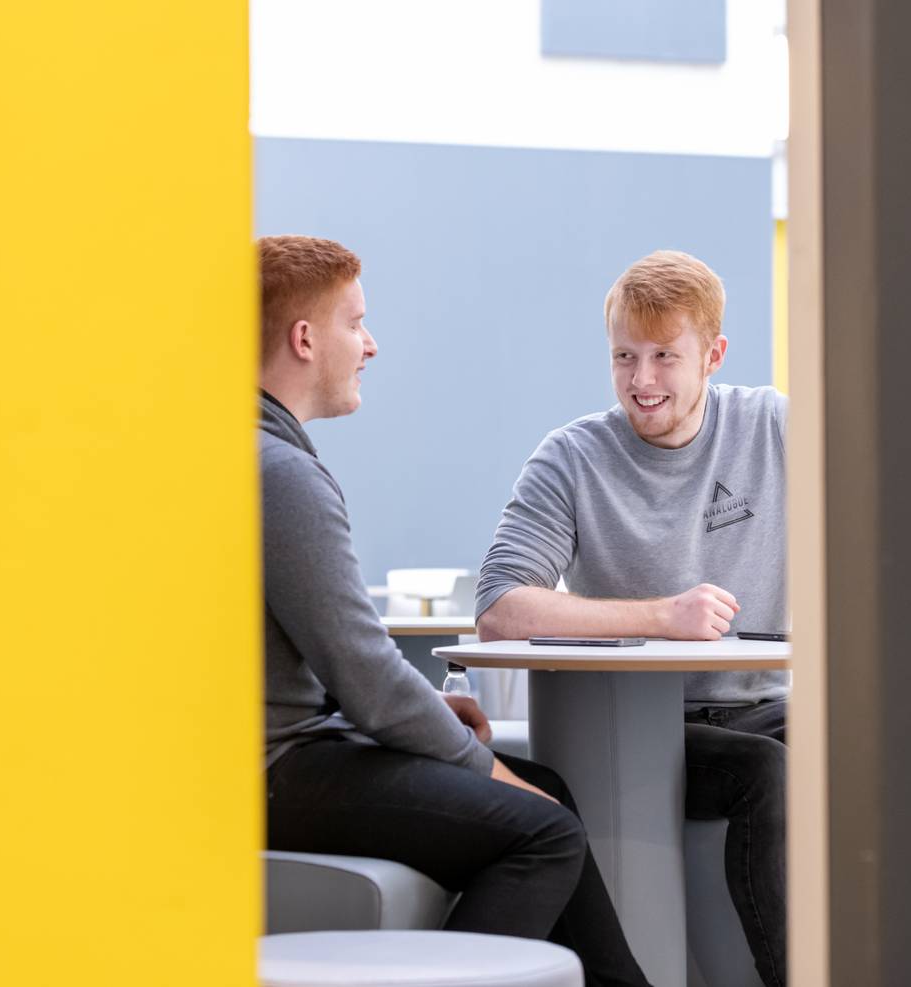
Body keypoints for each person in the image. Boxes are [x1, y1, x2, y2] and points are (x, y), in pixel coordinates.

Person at [258, 234, 653, 987]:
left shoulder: (253, 454)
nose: (370, 344)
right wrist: (480, 763)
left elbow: (326, 662)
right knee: (544, 832)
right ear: (304, 339)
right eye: (355, 323)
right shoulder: (281, 476)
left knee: (551, 790)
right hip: (280, 769)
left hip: (293, 752)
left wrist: (442, 720)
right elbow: (367, 675)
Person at [475, 250, 789, 987]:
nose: (641, 382)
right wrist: (662, 616)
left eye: (664, 357)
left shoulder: (776, 427)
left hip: (770, 703)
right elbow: (499, 607)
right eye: (624, 356)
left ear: (712, 354)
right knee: (765, 772)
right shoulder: (571, 457)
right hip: (648, 727)